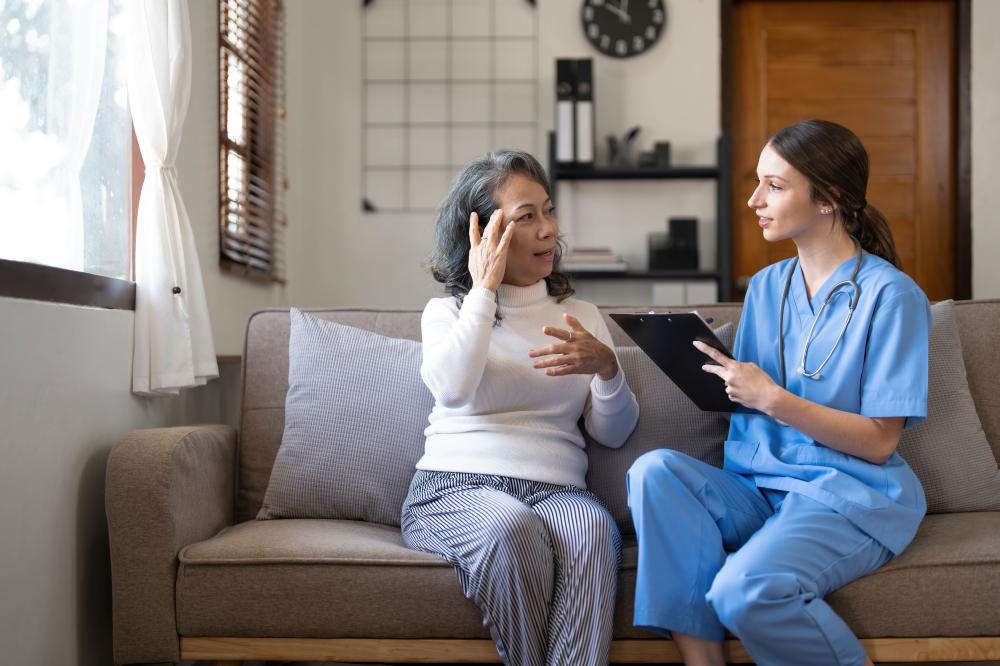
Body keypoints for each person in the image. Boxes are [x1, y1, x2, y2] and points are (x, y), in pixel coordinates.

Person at [627, 119, 931, 666]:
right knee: (654, 471)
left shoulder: (893, 297)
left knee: (743, 590)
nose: (753, 199)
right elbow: (744, 391)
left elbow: (881, 443)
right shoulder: (766, 286)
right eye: (758, 182)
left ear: (828, 199)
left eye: (775, 185)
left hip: (844, 492)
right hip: (757, 487)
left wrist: (772, 399)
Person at [402, 150, 640, 666]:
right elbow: (453, 390)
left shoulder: (581, 315)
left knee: (595, 530)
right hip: (455, 490)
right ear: (481, 233)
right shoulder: (448, 312)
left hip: (558, 490)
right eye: (526, 217)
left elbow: (614, 434)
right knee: (511, 528)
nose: (548, 230)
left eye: (548, 211)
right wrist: (485, 289)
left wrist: (607, 370)